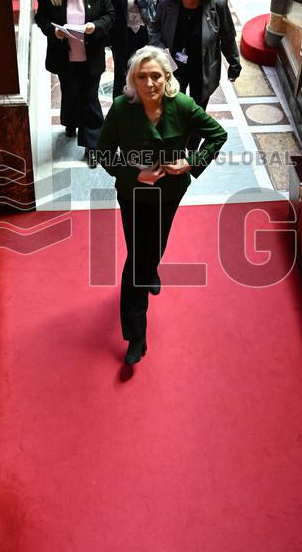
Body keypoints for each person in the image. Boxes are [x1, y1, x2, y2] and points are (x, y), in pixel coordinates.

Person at [95, 46, 228, 365]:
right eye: (142, 77)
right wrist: (134, 173)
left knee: (156, 243)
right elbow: (102, 153)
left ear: (167, 78)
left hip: (170, 192)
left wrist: (191, 162)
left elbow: (217, 135)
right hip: (133, 194)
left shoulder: (181, 105)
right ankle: (136, 334)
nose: (150, 83)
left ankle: (152, 268)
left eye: (156, 76)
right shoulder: (121, 109)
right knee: (137, 259)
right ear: (132, 80)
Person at [35, 0, 115, 163]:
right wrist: (53, 31)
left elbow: (110, 15)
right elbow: (41, 18)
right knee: (70, 93)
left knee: (90, 97)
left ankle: (92, 146)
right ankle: (70, 122)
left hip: (91, 54)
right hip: (64, 55)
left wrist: (95, 27)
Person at [149, 0, 241, 114]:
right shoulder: (167, 1)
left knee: (197, 112)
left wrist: (234, 64)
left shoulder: (218, 4)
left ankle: (192, 139)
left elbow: (227, 36)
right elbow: (154, 29)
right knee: (173, 108)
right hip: (173, 65)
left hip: (202, 67)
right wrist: (162, 52)